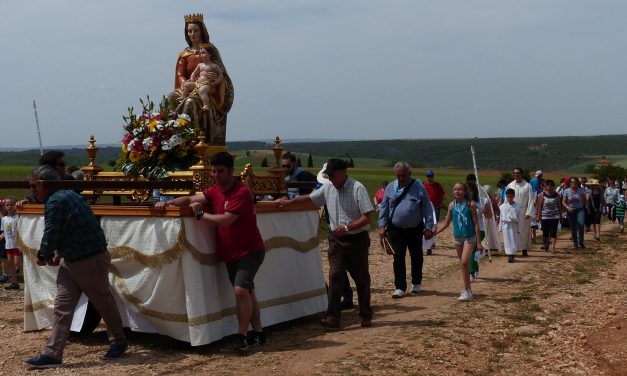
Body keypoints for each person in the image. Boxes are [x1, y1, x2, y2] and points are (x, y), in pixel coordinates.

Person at [156, 152, 266, 351]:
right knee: (247, 292)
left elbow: (226, 219)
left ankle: (242, 337)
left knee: (241, 290)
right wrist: (169, 202)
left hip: (250, 249)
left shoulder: (241, 192)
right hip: (231, 252)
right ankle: (258, 332)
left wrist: (200, 214)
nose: (216, 175)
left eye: (220, 171)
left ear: (231, 171)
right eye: (213, 171)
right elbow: (191, 198)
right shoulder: (214, 191)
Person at [24, 166, 127, 368]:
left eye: (34, 185)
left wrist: (44, 255)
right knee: (63, 307)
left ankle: (119, 341)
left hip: (88, 260)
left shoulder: (56, 201)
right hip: (75, 259)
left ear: (45, 184)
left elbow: (54, 232)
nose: (32, 190)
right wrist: (59, 253)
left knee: (103, 303)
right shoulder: (68, 195)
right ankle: (52, 354)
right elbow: (72, 231)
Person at [277, 158, 374, 328]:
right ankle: (333, 317)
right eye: (328, 175)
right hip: (336, 239)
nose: (330, 179)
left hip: (356, 239)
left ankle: (365, 314)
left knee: (361, 278)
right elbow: (310, 198)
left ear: (343, 173)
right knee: (335, 276)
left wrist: (347, 227)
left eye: (333, 175)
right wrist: (289, 202)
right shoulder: (328, 187)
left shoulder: (357, 188)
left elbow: (367, 217)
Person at [175, 13, 234, 146]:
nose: (192, 34)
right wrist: (187, 83)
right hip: (189, 87)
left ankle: (193, 139)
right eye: (189, 31)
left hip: (207, 88)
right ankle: (172, 137)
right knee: (168, 99)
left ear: (202, 31)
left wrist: (217, 78)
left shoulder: (210, 50)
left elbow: (221, 72)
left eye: (195, 30)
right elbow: (180, 75)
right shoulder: (184, 54)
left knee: (191, 101)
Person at [377, 162, 434, 298]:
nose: (401, 178)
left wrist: (428, 227)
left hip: (415, 228)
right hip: (396, 229)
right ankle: (400, 287)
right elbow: (384, 207)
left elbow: (427, 207)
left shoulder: (418, 187)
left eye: (403, 175)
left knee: (416, 256)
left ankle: (416, 283)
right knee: (398, 257)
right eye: (398, 176)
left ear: (409, 173)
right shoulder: (390, 187)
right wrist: (381, 225)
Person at [433, 183, 484, 301]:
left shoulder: (470, 205)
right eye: (455, 189)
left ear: (465, 192)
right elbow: (446, 223)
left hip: (469, 237)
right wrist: (435, 233)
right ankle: (468, 289)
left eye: (460, 189)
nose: (457, 191)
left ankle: (466, 290)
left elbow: (476, 224)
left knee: (465, 261)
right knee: (462, 264)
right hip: (458, 237)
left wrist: (479, 242)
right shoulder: (452, 205)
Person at [181, 45, 224, 112]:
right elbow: (194, 73)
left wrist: (216, 82)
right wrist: (192, 79)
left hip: (207, 85)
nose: (201, 55)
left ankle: (206, 105)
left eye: (203, 53)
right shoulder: (200, 65)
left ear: (210, 54)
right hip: (197, 83)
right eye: (200, 53)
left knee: (202, 91)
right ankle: (183, 99)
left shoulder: (214, 66)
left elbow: (221, 75)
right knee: (186, 85)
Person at [465, 174, 491, 282]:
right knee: (471, 250)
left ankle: (472, 272)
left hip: (479, 228)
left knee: (471, 250)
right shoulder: (464, 200)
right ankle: (474, 269)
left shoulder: (483, 199)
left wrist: (485, 211)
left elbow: (489, 216)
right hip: (466, 228)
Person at [506, 168, 536, 257]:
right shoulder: (510, 185)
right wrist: (506, 211)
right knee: (513, 230)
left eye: (518, 173)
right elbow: (506, 199)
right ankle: (514, 249)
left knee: (524, 231)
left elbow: (531, 200)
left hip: (523, 211)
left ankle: (524, 249)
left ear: (521, 174)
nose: (516, 175)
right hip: (513, 211)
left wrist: (529, 212)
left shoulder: (527, 186)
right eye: (515, 173)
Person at [562, 177, 590, 249]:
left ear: (577, 183)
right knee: (573, 227)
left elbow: (585, 200)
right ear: (569, 183)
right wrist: (568, 208)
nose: (573, 183)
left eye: (574, 182)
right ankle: (575, 243)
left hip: (580, 210)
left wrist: (588, 208)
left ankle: (581, 242)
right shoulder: (566, 191)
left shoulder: (581, 190)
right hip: (571, 211)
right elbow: (563, 202)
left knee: (581, 225)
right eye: (571, 182)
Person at [535, 179, 562, 253]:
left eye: (551, 185)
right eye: (548, 185)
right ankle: (546, 243)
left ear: (553, 186)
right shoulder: (542, 195)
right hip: (545, 216)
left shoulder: (557, 195)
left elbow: (559, 206)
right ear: (546, 186)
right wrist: (538, 216)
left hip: (555, 216)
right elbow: (540, 206)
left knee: (553, 232)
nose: (550, 186)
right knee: (545, 232)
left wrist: (561, 215)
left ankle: (553, 247)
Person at [0, 198, 21, 290]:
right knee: (10, 264)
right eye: (7, 205)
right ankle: (14, 283)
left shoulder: (18, 217)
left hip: (17, 244)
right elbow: (4, 232)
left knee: (18, 263)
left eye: (11, 204)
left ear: (15, 205)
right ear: (4, 207)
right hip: (9, 245)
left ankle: (31, 281)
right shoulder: (4, 219)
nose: (9, 206)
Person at [499, 188, 523, 263]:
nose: (509, 198)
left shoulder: (518, 206)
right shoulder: (502, 206)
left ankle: (512, 254)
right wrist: (500, 227)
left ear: (514, 196)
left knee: (513, 239)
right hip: (505, 225)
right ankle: (509, 254)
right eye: (508, 197)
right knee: (507, 240)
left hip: (514, 225)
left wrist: (519, 229)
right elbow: (501, 218)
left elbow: (520, 218)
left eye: (511, 197)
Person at [0, 201, 11, 283]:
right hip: (3, 236)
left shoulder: (5, 216)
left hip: (5, 237)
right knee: (3, 256)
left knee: (4, 256)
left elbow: (6, 226)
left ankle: (6, 274)